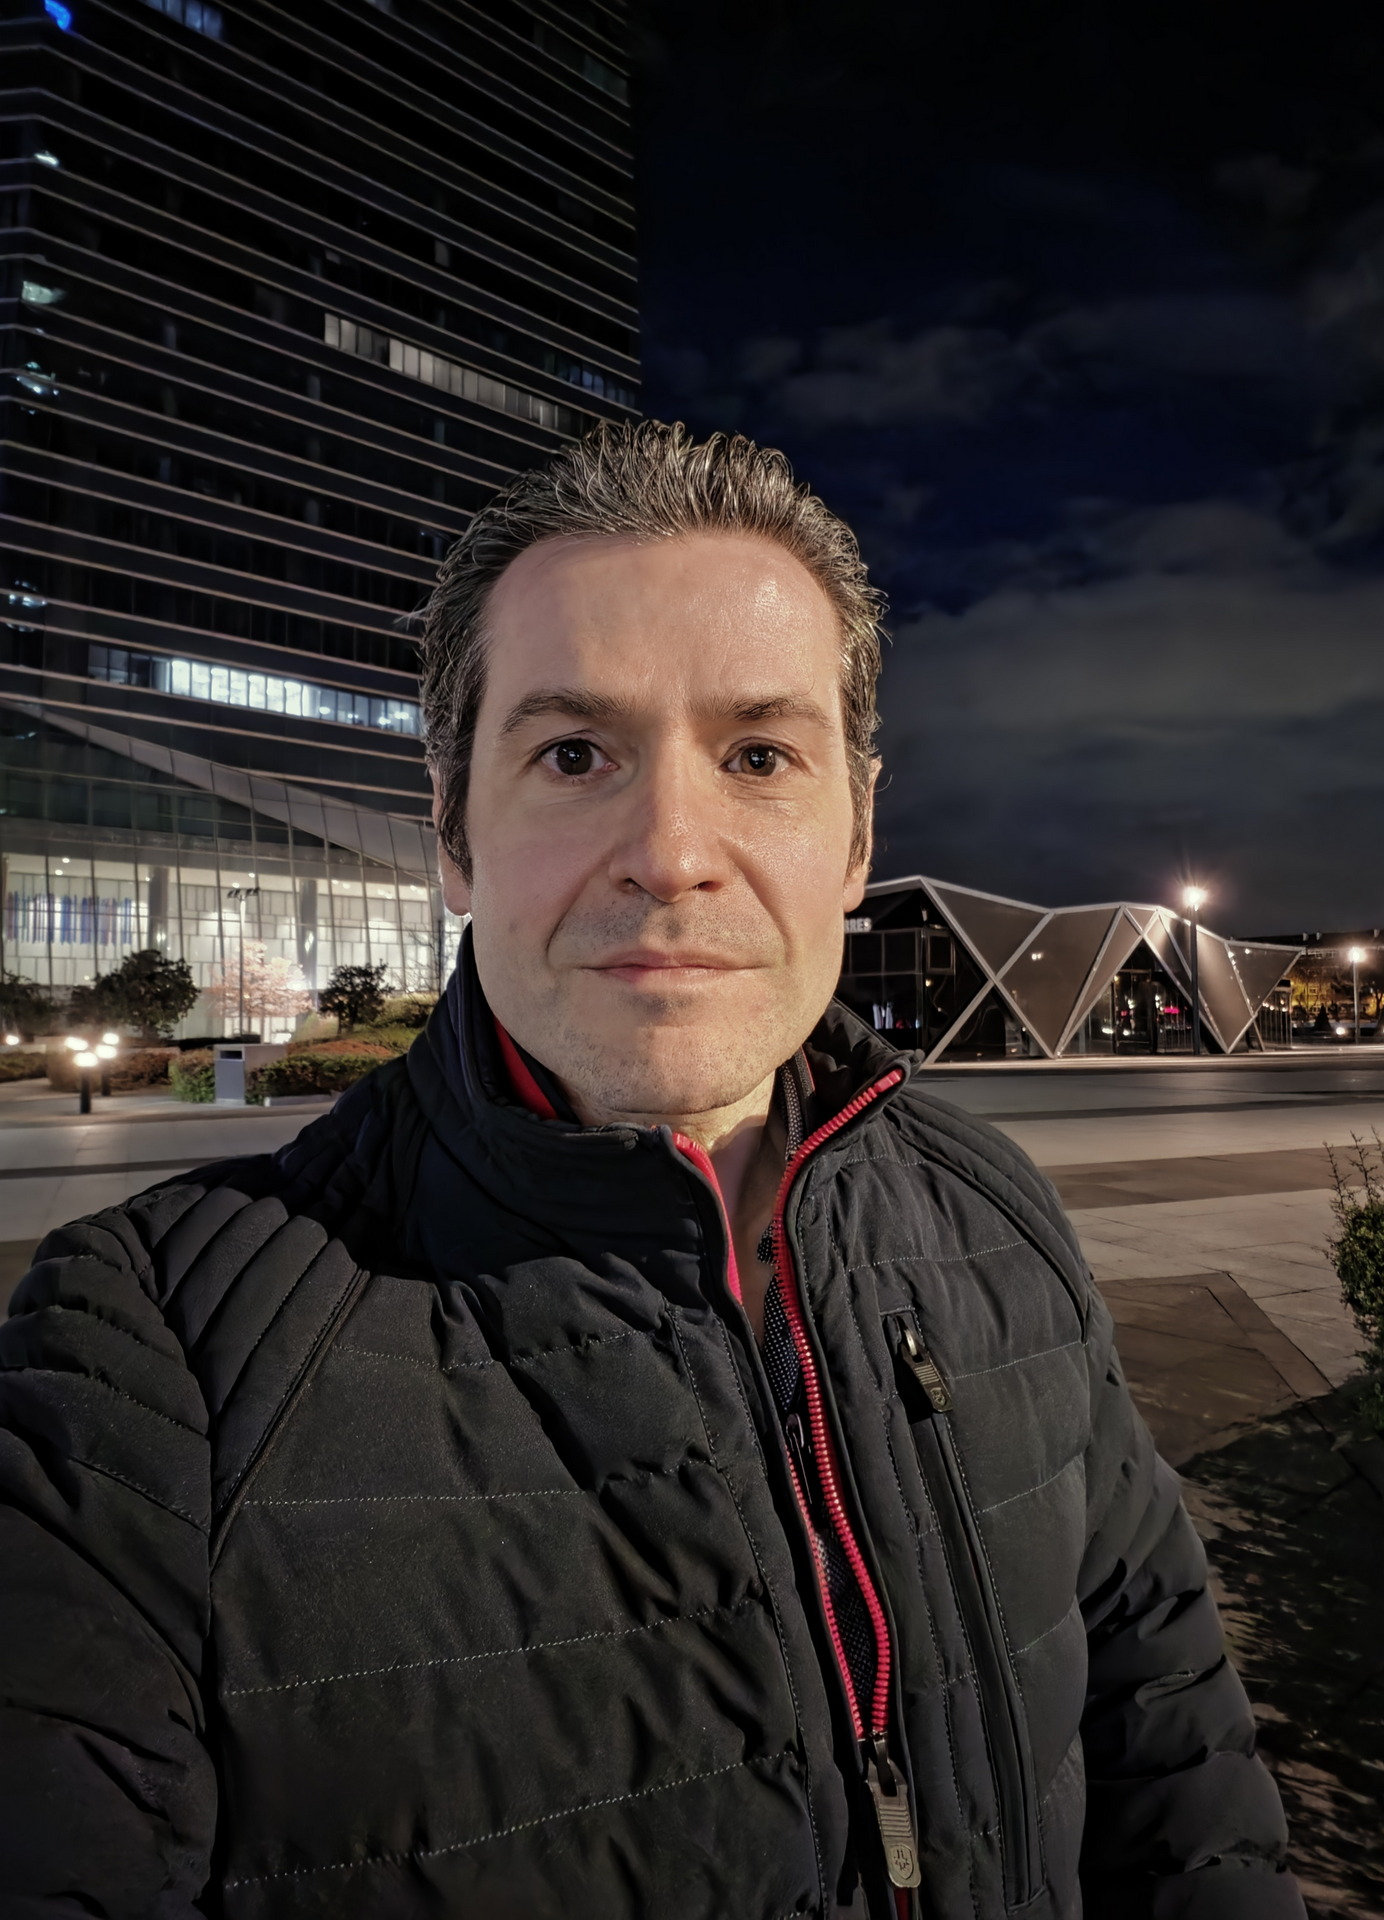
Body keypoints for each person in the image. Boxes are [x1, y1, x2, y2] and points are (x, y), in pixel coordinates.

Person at [0, 423, 1303, 1919]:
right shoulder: (156, 1353)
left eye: (759, 756)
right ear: (453, 835)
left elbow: (1176, 1762)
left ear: (856, 836)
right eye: (574, 754)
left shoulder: (997, 1214)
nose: (672, 850)